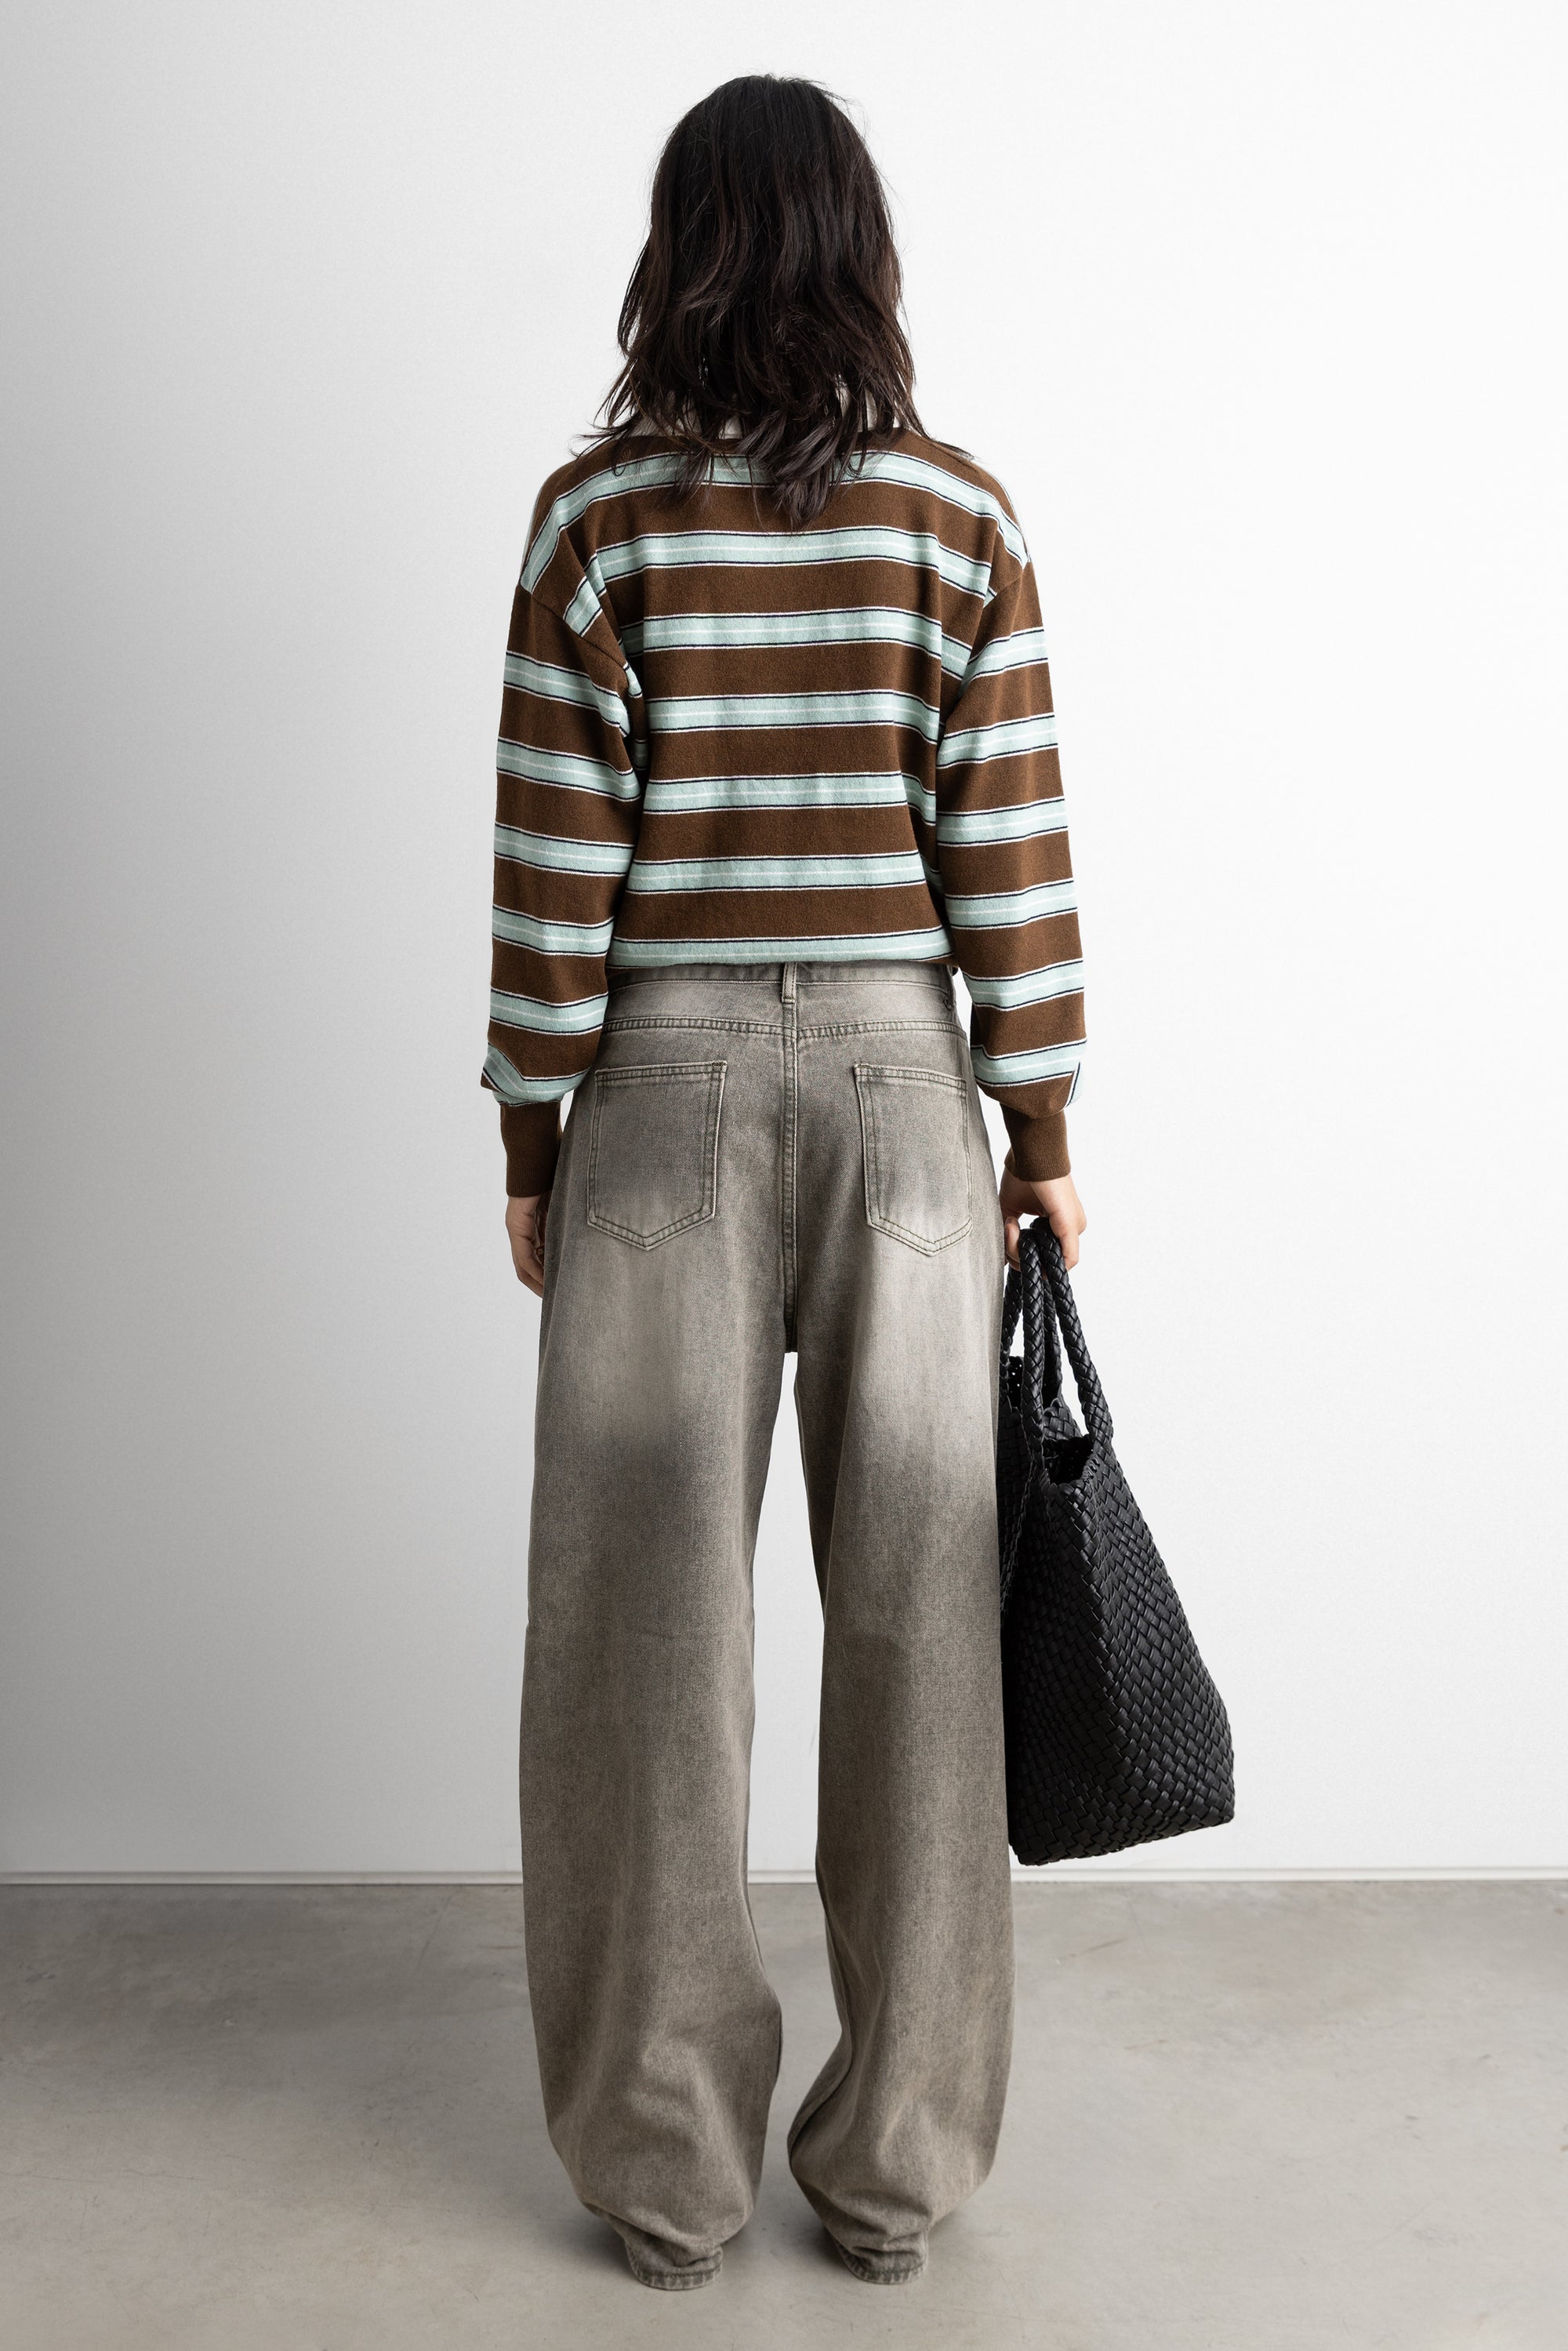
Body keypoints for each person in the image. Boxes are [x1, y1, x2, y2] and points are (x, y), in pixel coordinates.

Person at [483, 73, 1087, 2291]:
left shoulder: (594, 520)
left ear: (681, 253)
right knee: (924, 1626)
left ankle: (663, 2178)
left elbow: (554, 866)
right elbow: (1009, 849)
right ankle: (896, 2169)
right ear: (861, 250)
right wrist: (1044, 1132)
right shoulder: (956, 517)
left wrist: (532, 1131)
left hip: (656, 1086)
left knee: (639, 1638)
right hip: (913, 1100)